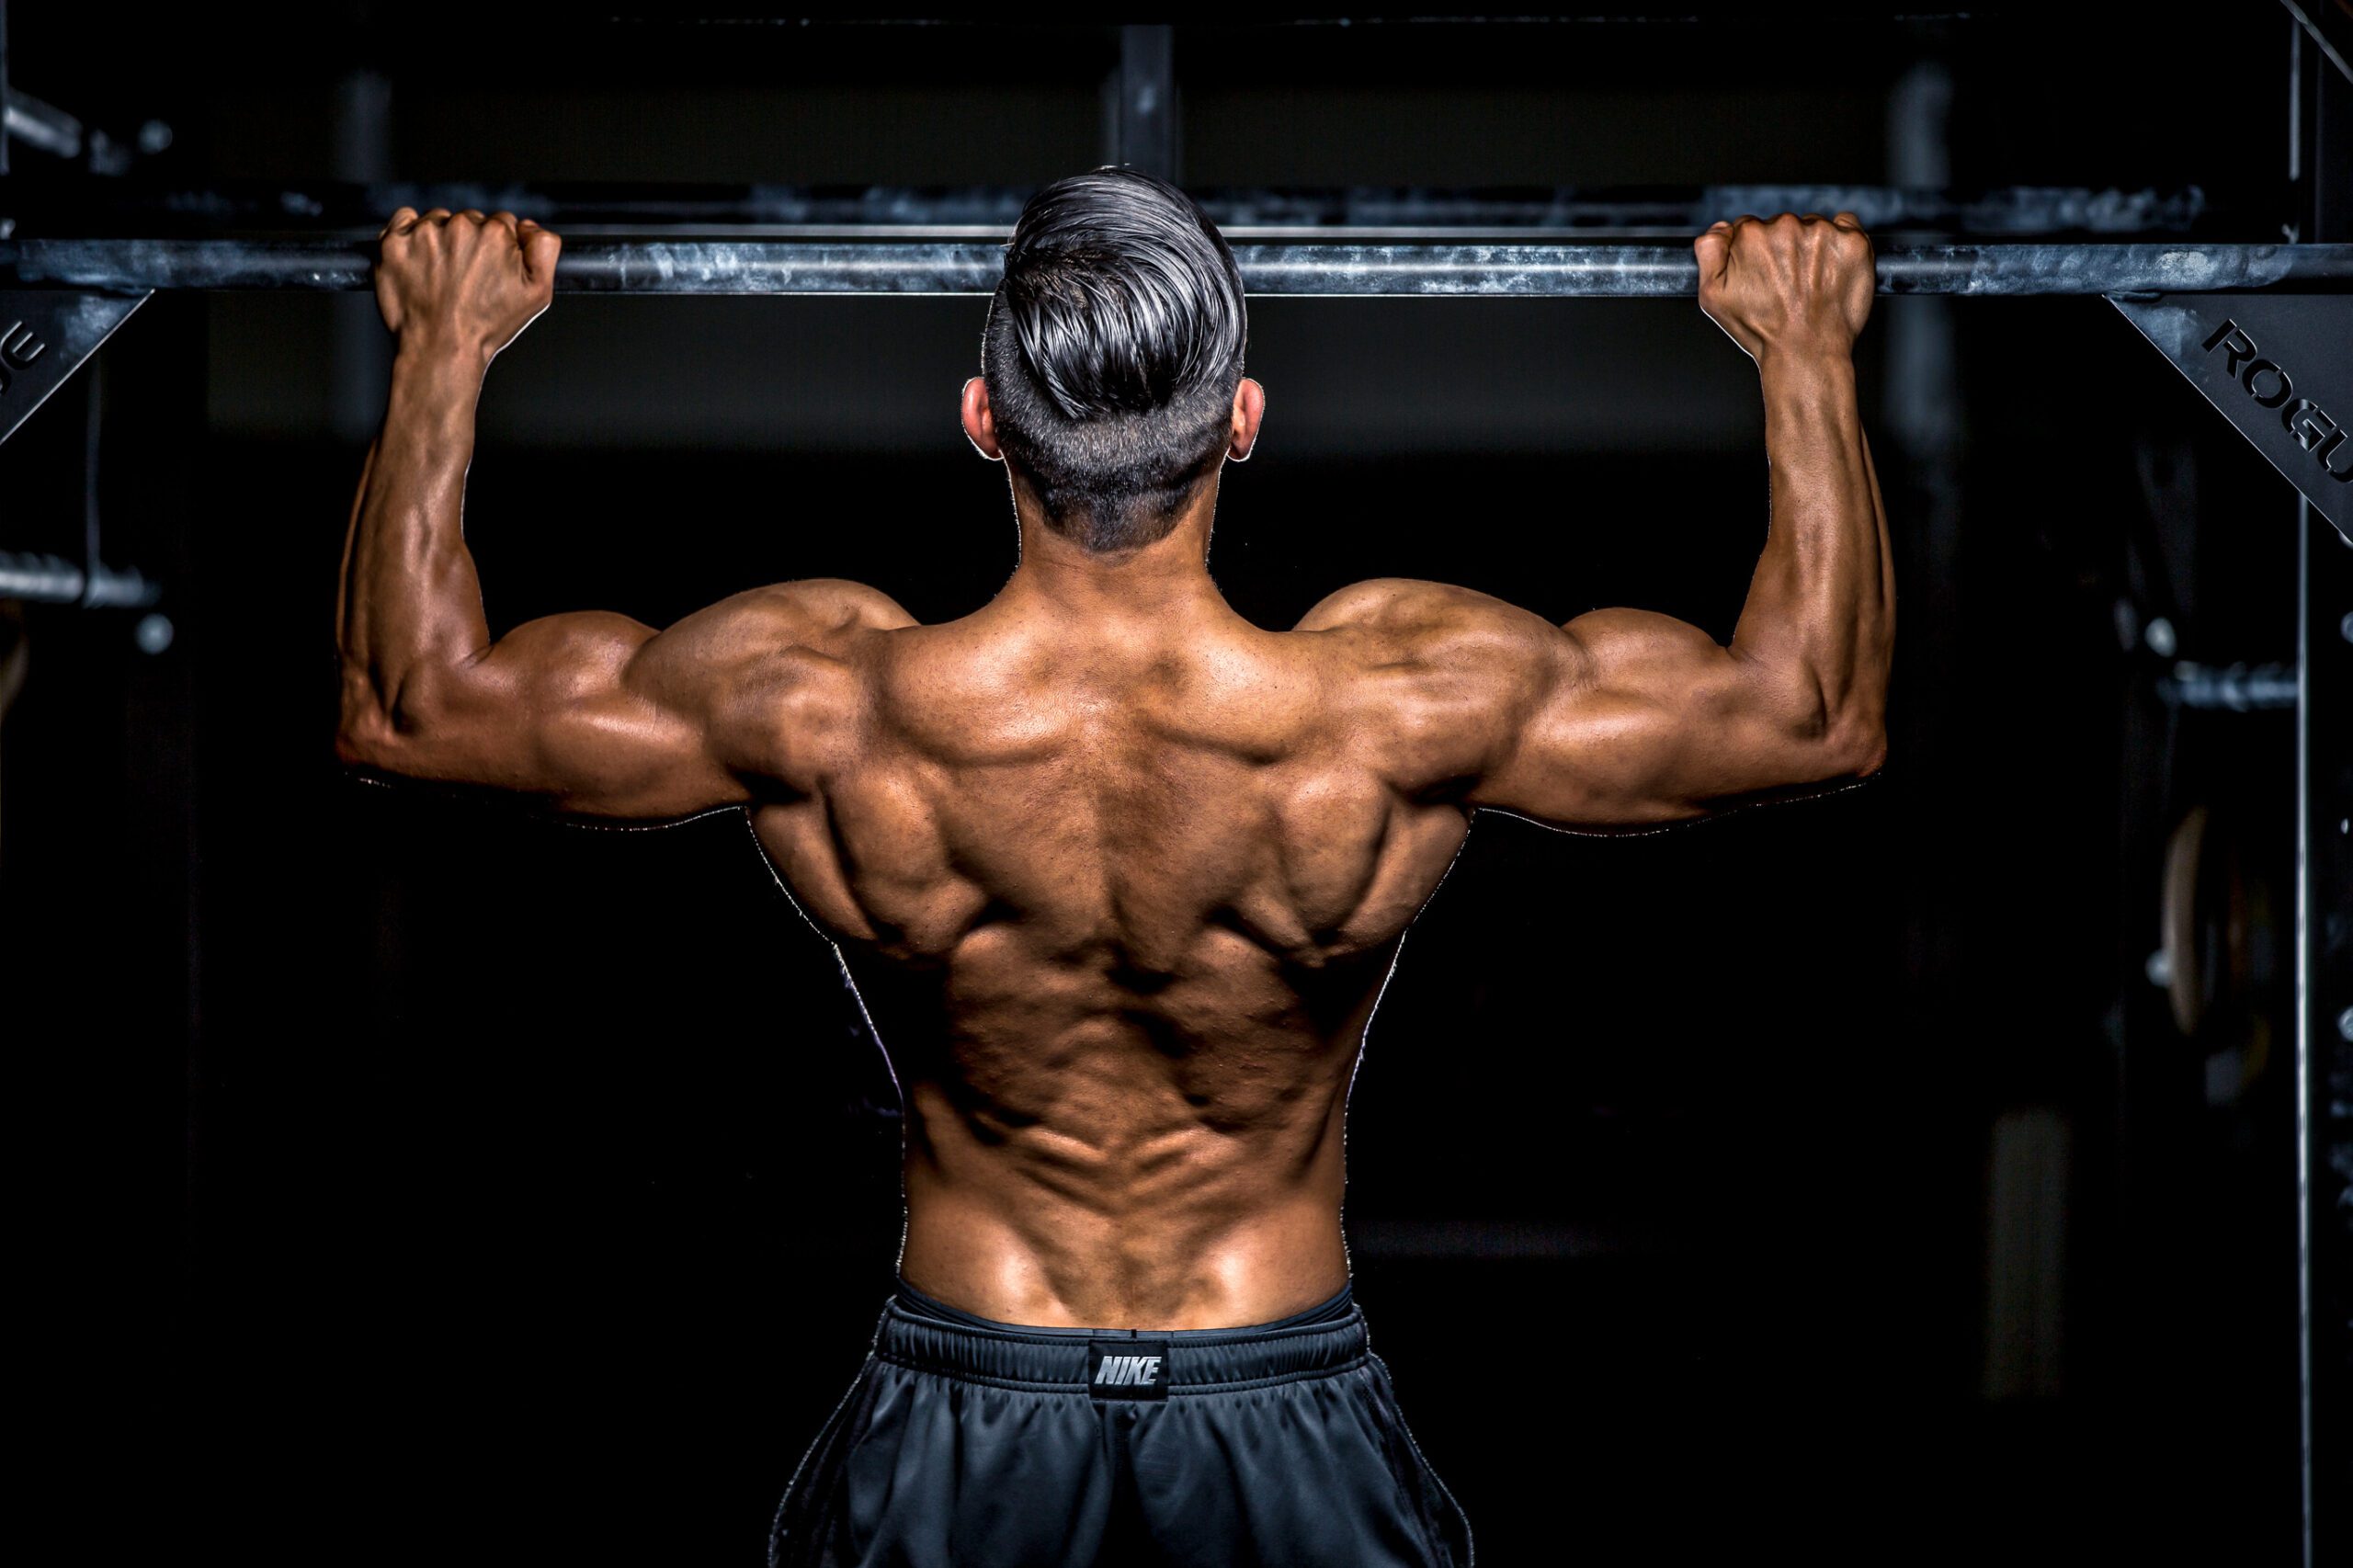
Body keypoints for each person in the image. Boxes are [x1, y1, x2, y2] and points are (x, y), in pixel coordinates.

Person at [336, 168, 1890, 1568]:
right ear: (1244, 420)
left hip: (968, 1390)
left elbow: (412, 706)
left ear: (982, 419)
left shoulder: (828, 703)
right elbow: (1809, 713)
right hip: (1276, 1387)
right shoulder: (1392, 705)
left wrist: (445, 347)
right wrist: (1806, 349)